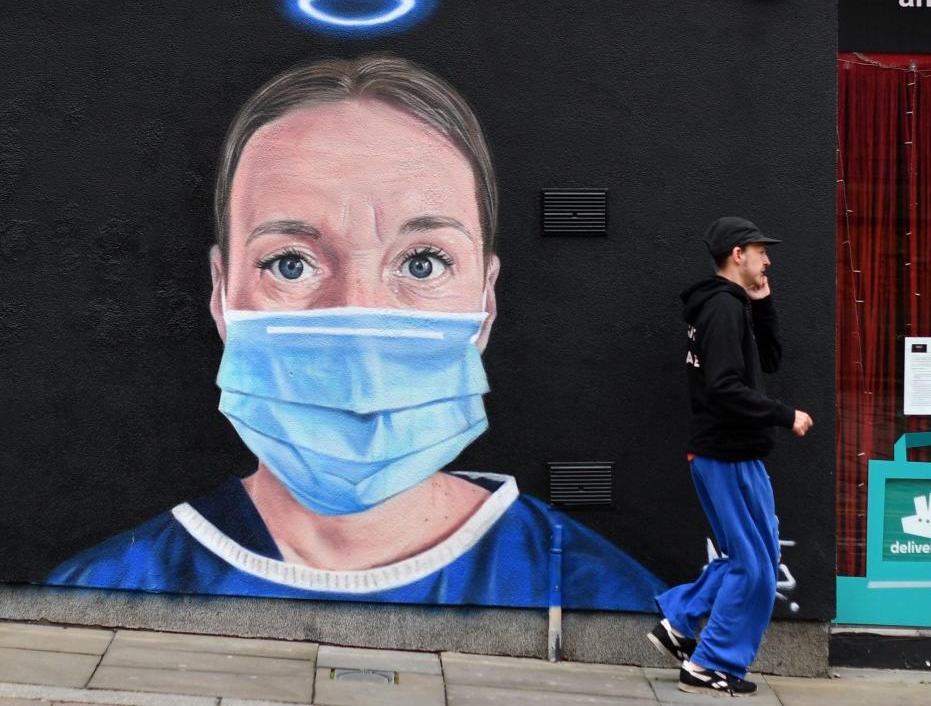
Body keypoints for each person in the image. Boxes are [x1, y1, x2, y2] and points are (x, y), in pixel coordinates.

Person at [46, 55, 665, 611]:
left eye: (423, 262)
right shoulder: (104, 594)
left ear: (486, 300)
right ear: (220, 294)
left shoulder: (602, 598)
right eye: (289, 263)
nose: (360, 323)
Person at [647, 216, 813, 697]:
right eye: (761, 250)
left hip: (734, 453)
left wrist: (763, 303)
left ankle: (679, 623)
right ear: (737, 254)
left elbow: (772, 358)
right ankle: (709, 664)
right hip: (726, 453)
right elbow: (723, 388)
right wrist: (785, 415)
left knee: (752, 559)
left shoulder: (734, 306)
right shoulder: (720, 309)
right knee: (755, 569)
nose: (769, 259)